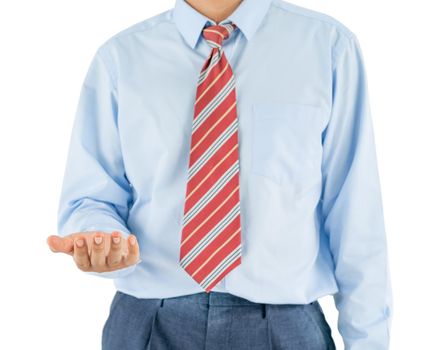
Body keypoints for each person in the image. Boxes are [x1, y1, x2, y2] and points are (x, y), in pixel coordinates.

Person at [46, 0, 393, 349]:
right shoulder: (120, 59)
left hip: (284, 326)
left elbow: (355, 213)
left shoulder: (328, 47)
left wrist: (370, 342)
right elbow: (91, 197)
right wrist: (105, 240)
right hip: (149, 321)